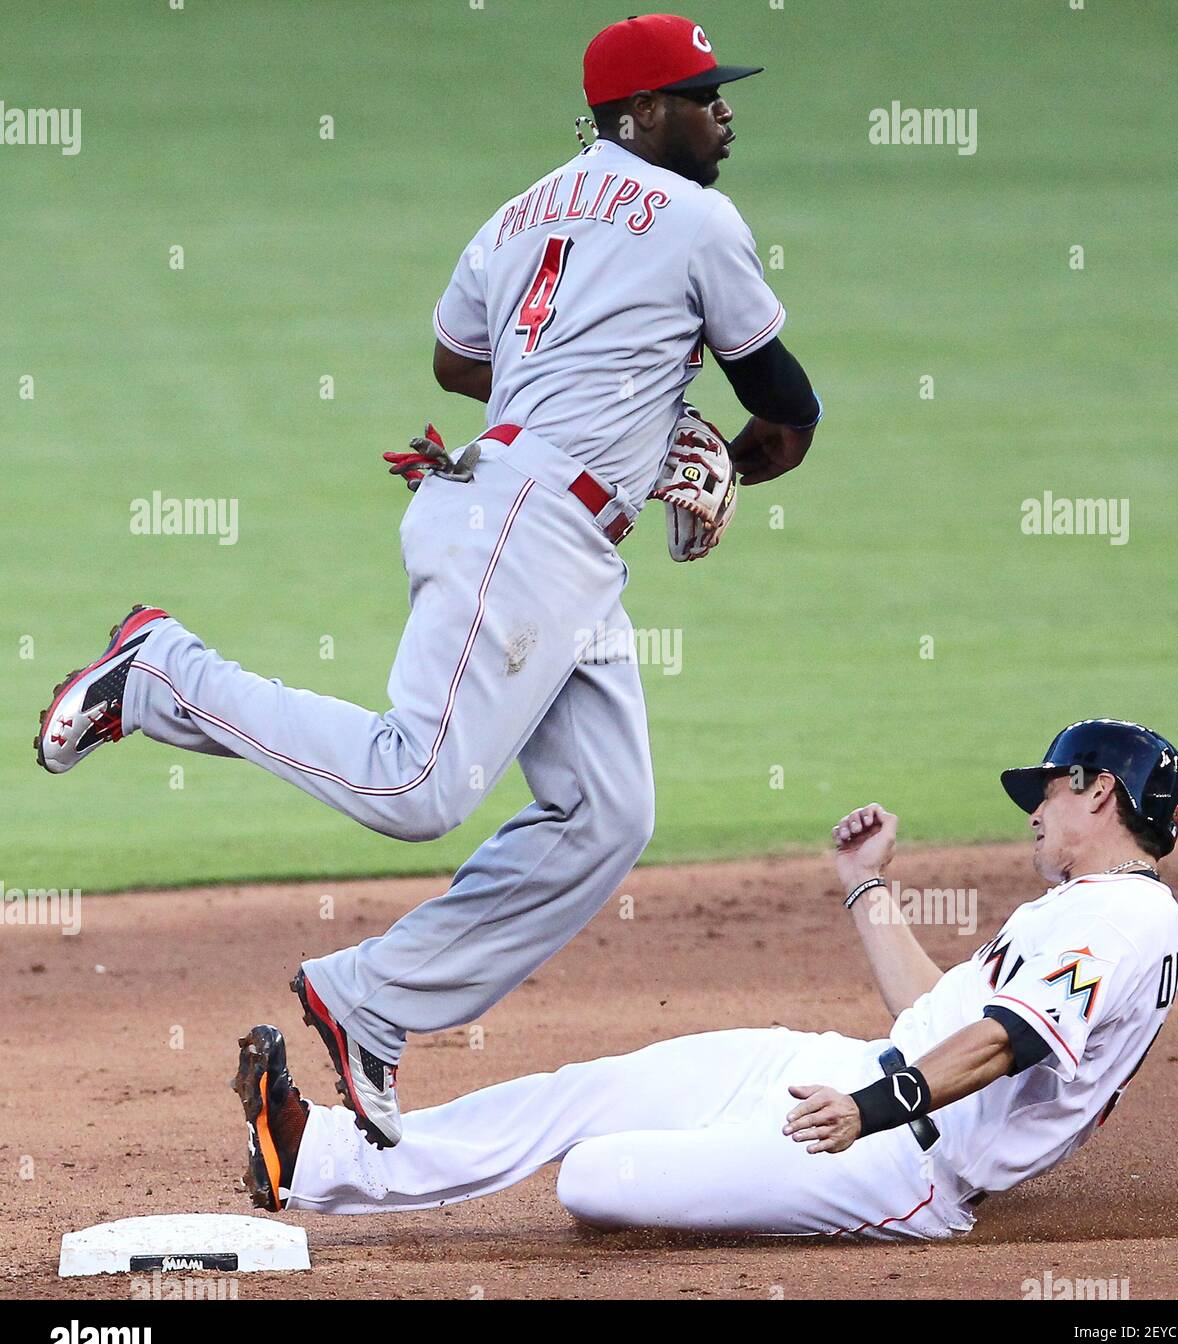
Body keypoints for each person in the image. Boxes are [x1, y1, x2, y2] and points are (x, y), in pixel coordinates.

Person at [35, 14, 820, 1149]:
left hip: (544, 529)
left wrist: (598, 387)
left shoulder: (518, 211)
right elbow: (787, 407)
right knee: (416, 788)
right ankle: (160, 672)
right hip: (525, 530)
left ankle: (370, 1003)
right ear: (636, 115)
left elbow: (455, 360)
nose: (725, 109)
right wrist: (725, 460)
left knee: (606, 812)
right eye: (702, 94)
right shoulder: (700, 219)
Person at [231, 719, 1178, 1238]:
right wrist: (867, 889)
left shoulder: (1131, 916)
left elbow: (1003, 1043)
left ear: (1100, 793)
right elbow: (940, 1017)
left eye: (1049, 789)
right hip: (848, 1072)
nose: (1035, 810)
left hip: (899, 1158)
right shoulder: (1081, 910)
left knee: (596, 1179)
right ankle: (311, 1156)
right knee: (587, 1093)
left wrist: (873, 1108)